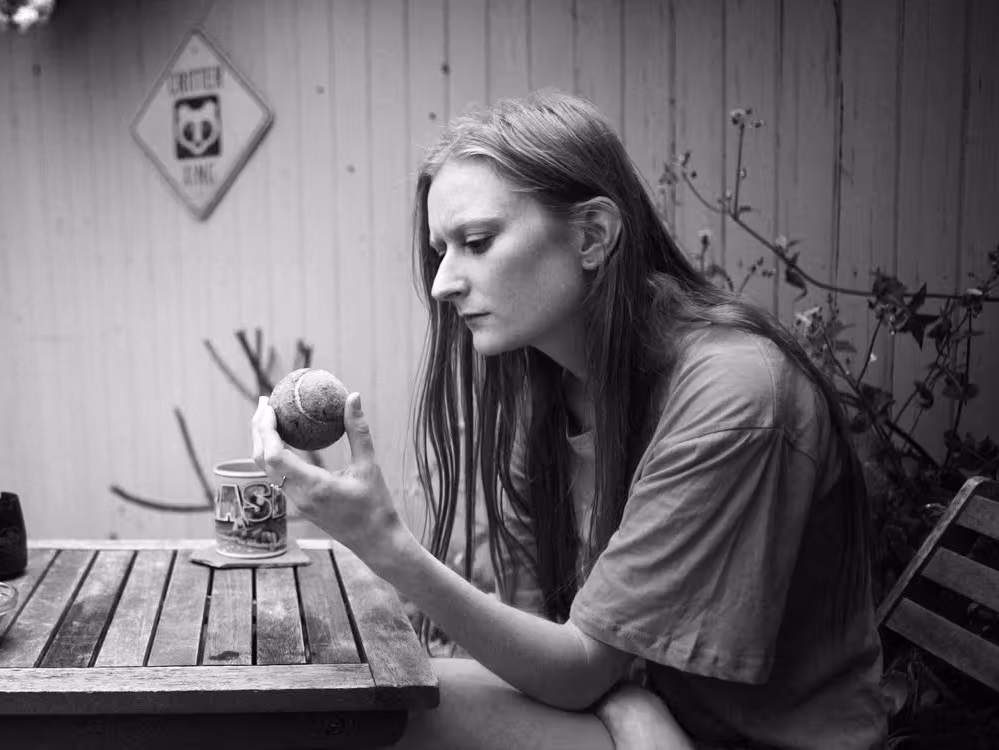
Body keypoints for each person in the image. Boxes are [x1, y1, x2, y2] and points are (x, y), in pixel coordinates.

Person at [250, 89, 885, 749]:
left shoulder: (733, 397)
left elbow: (580, 668)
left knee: (357, 721)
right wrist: (626, 701)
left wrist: (383, 543)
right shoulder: (552, 387)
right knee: (336, 700)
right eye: (441, 250)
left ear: (591, 236)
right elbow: (553, 642)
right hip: (637, 718)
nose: (442, 283)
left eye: (477, 242)